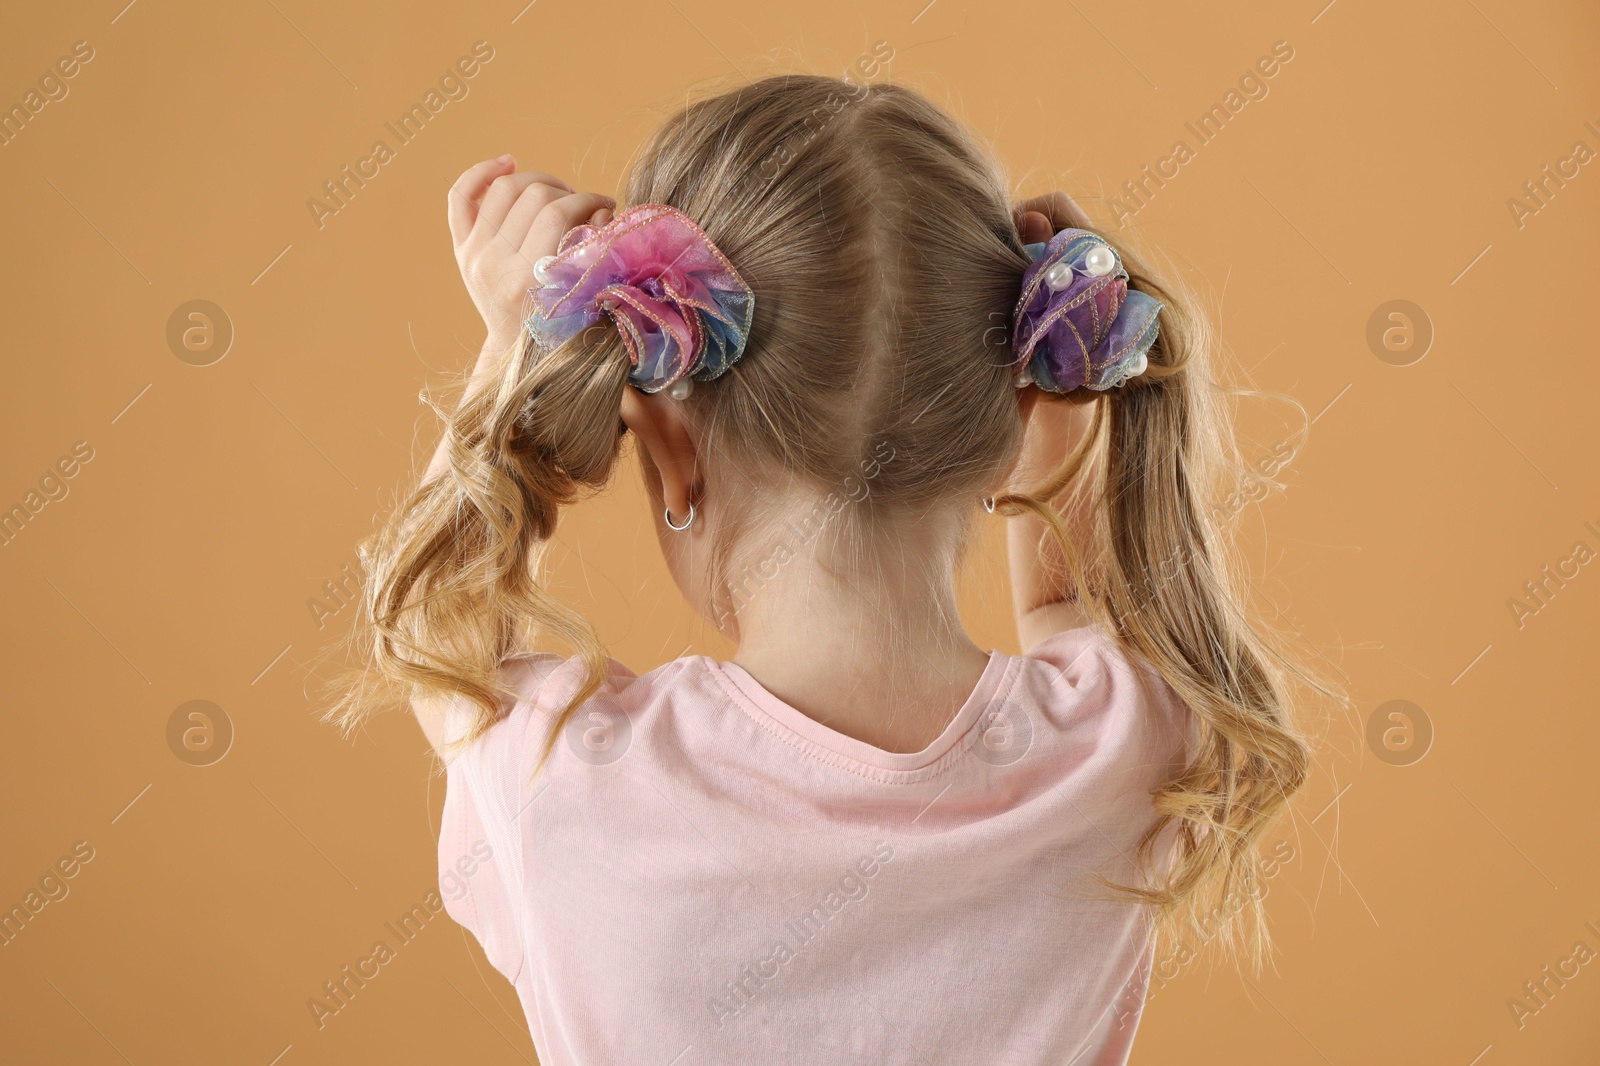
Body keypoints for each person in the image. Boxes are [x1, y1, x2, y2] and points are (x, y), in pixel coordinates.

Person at [327, 74, 1321, 1065]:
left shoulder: (571, 782)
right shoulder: (1120, 749)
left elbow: (438, 634)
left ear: (670, 447)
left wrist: (515, 351)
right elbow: (1079, 608)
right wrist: (1064, 363)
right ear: (1016, 413)